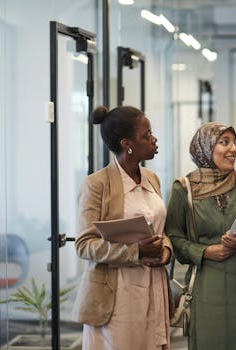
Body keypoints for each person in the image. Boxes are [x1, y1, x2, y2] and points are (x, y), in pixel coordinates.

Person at [165, 121, 236, 350]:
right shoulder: (183, 189)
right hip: (209, 284)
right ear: (204, 147)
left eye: (235, 143)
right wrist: (204, 252)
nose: (233, 148)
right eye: (224, 142)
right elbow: (173, 238)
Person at [72, 106, 173, 350]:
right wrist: (136, 252)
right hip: (117, 295)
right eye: (146, 135)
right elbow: (85, 245)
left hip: (154, 285)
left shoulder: (152, 178)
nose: (154, 139)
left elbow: (161, 229)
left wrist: (166, 250)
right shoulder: (96, 184)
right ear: (127, 144)